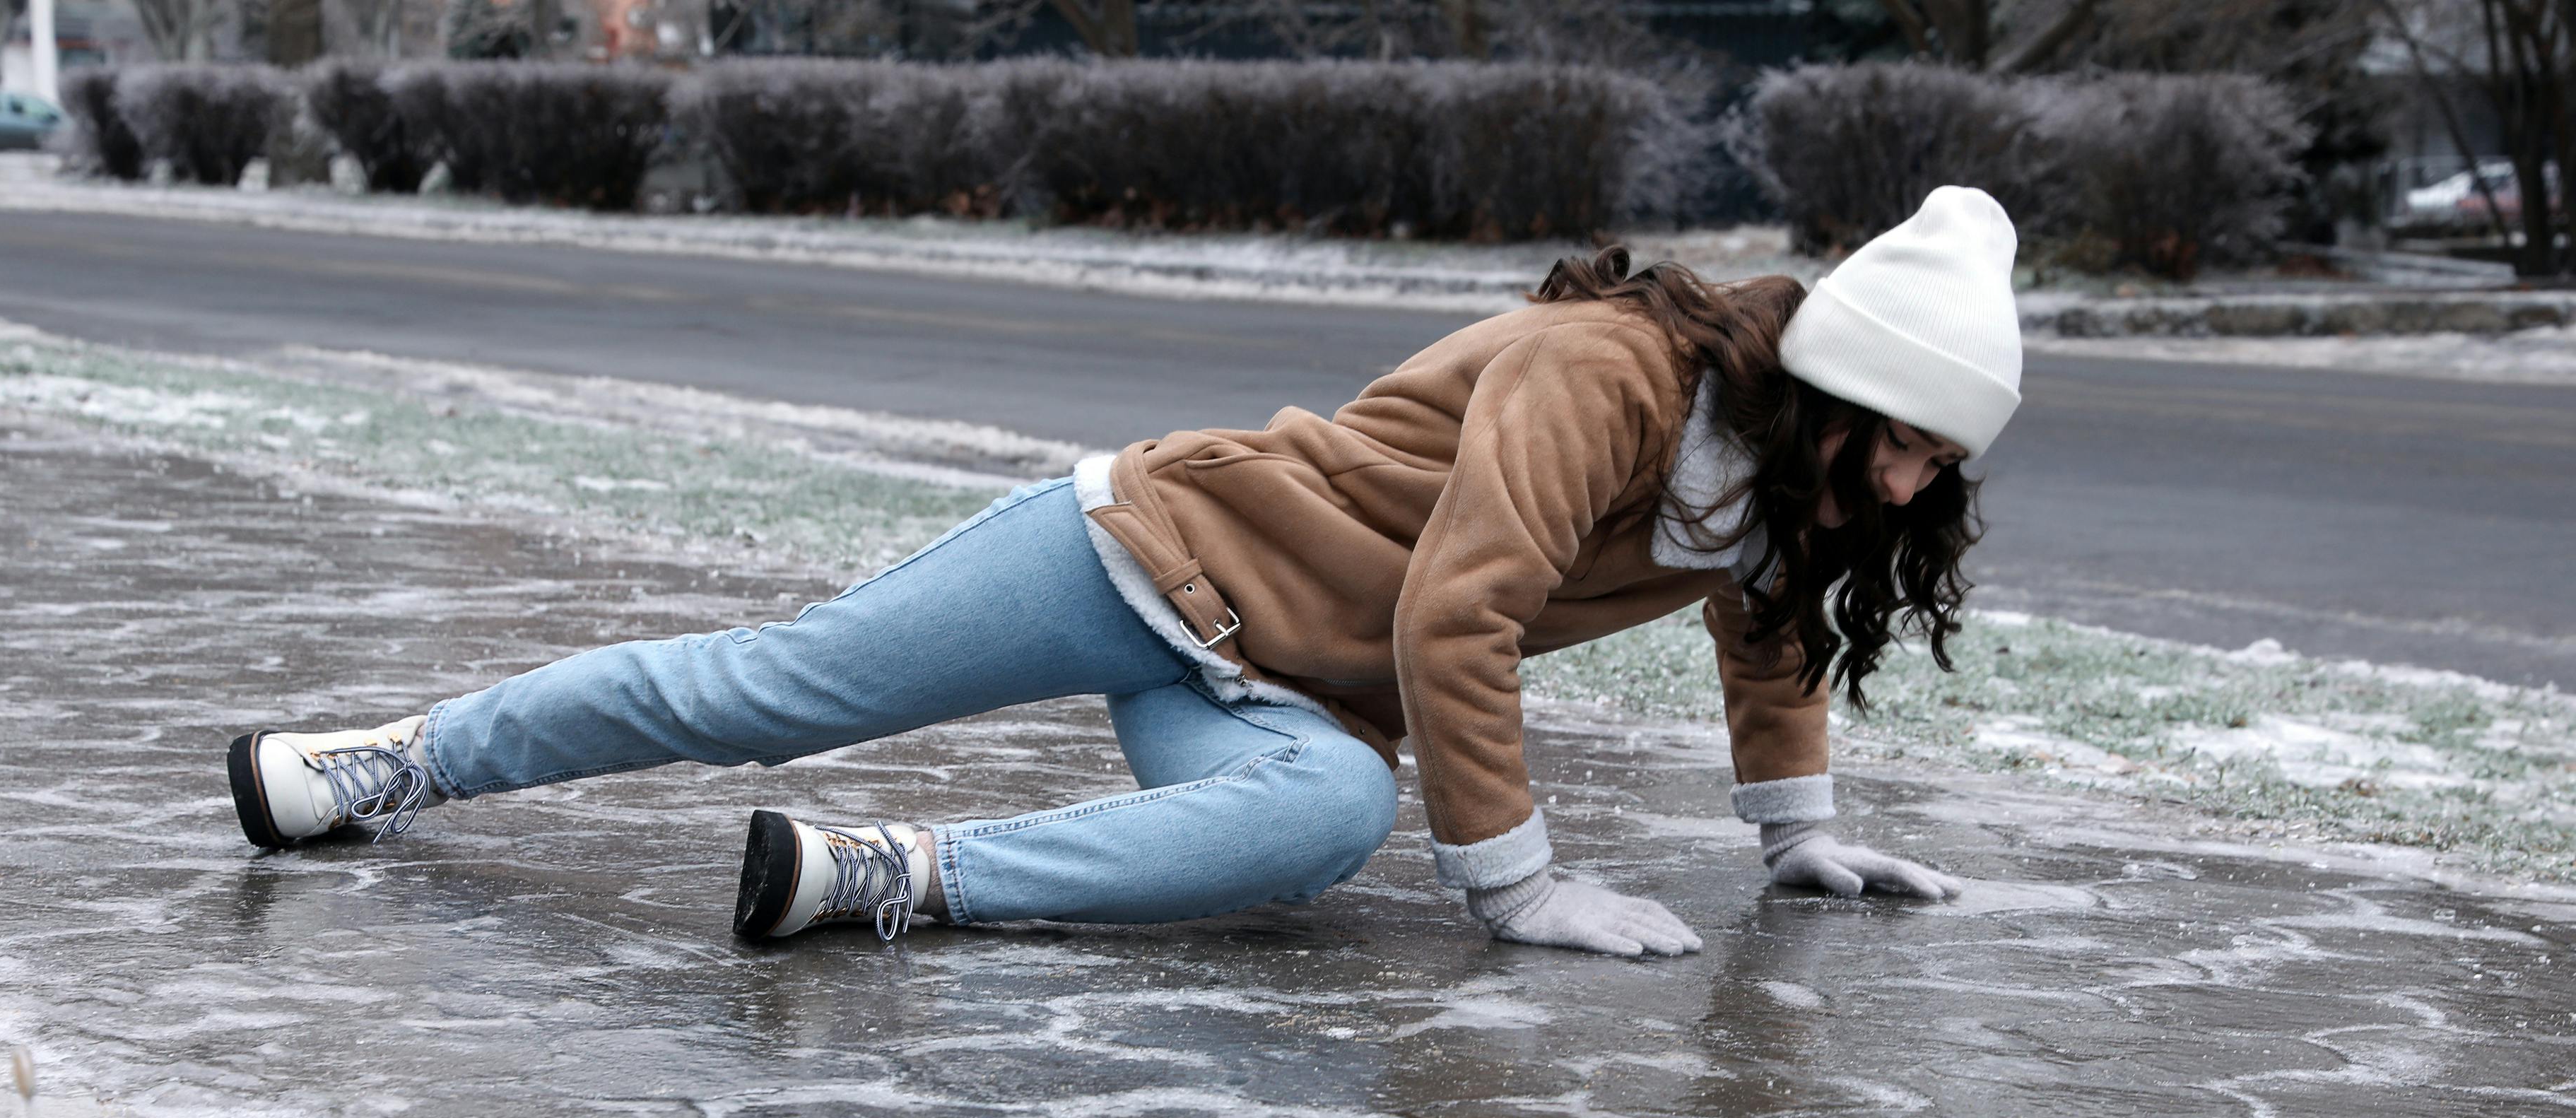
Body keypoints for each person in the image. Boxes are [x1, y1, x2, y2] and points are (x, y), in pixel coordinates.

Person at [225, 187, 2021, 960]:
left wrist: (1795, 834)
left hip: (1280, 688)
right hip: (1144, 549)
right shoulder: (1611, 375)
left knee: (1318, 826)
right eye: (1908, 439)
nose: (1918, 480)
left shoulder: (1787, 485)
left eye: (1946, 459)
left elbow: (1770, 619)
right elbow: (1461, 609)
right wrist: (1521, 887)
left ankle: (889, 878)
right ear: (1829, 389)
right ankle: (391, 760)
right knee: (769, 693)